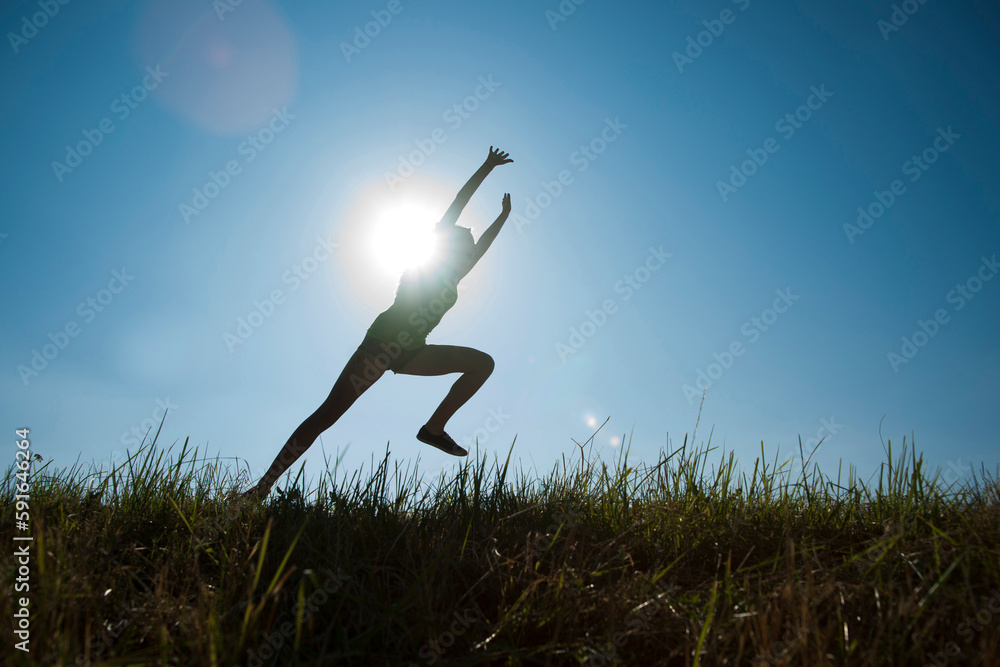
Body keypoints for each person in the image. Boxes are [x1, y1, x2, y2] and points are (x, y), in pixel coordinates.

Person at [242, 147, 514, 499]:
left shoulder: (457, 275)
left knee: (482, 364)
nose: (470, 241)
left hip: (412, 352)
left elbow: (485, 245)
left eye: (470, 241)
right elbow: (458, 204)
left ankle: (433, 429)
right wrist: (487, 166)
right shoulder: (427, 261)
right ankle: (261, 489)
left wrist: (505, 215)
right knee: (326, 415)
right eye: (464, 237)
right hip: (380, 346)